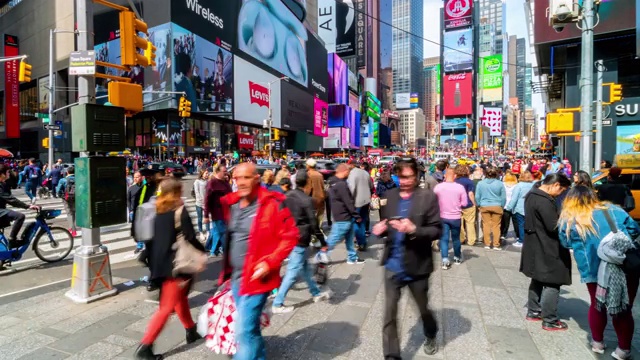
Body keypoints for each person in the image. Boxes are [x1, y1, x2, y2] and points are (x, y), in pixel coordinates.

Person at [217, 162, 299, 360]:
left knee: (244, 330)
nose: (241, 182)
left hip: (257, 279)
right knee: (250, 328)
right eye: (237, 178)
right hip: (237, 277)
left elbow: (290, 236)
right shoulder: (233, 204)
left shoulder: (273, 203)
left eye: (246, 177)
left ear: (257, 179)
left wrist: (269, 262)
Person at [558, 186, 639, 359]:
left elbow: (566, 243)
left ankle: (597, 343)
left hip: (594, 269)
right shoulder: (614, 210)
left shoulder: (570, 219)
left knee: (597, 304)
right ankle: (624, 349)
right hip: (624, 265)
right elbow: (634, 230)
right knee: (624, 308)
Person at [372, 158, 442, 358]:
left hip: (418, 264)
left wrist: (414, 230)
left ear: (417, 175)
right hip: (393, 264)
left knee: (423, 308)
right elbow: (387, 223)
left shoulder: (427, 197)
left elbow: (437, 230)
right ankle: (392, 355)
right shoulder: (389, 195)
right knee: (389, 313)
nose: (404, 181)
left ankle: (430, 332)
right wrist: (381, 228)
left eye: (408, 177)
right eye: (401, 177)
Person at [134, 178, 206, 359]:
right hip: (176, 264)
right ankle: (145, 347)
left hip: (160, 263)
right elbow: (190, 237)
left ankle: (191, 330)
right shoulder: (179, 210)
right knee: (166, 308)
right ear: (175, 192)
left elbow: (150, 239)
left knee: (179, 298)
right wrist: (202, 252)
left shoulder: (157, 209)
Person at [272, 170, 331, 313]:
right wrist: (322, 241)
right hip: (301, 238)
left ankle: (315, 293)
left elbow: (280, 216)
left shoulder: (287, 196)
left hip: (289, 236)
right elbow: (314, 223)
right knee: (292, 273)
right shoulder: (306, 200)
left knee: (305, 267)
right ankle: (277, 303)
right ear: (308, 183)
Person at [520, 173, 571, 331]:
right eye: (561, 190)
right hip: (547, 245)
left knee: (537, 277)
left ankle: (534, 310)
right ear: (555, 185)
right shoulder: (544, 200)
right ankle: (550, 319)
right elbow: (552, 226)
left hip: (534, 244)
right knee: (552, 281)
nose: (560, 193)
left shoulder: (531, 195)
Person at [325, 163, 364, 264]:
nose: (349, 174)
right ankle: (321, 255)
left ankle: (352, 257)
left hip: (342, 215)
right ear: (345, 171)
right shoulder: (341, 184)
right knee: (333, 238)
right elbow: (348, 201)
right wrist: (356, 215)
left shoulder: (333, 182)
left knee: (349, 238)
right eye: (348, 172)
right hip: (343, 216)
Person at [434, 168, 468, 269]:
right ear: (455, 176)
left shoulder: (438, 187)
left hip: (442, 216)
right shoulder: (460, 188)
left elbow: (433, 200)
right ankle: (457, 257)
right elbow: (465, 203)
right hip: (455, 216)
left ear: (444, 175)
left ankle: (445, 259)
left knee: (444, 239)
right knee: (456, 238)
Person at [0, 164, 39, 249]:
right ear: (2, 174)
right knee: (20, 216)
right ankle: (12, 240)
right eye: (7, 172)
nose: (9, 174)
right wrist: (27, 206)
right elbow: (11, 200)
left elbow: (9, 199)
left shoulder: (3, 184)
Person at [204, 165, 232, 256]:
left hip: (226, 212)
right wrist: (206, 215)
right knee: (223, 232)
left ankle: (213, 250)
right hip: (217, 212)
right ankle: (227, 250)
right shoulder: (212, 183)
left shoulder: (225, 182)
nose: (226, 173)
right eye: (224, 171)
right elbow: (207, 200)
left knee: (217, 232)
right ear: (217, 172)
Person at [475, 167, 506, 250]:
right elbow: (503, 197)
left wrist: (478, 204)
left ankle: (487, 244)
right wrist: (502, 205)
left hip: (484, 205)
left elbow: (477, 196)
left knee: (486, 225)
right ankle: (496, 244)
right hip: (497, 205)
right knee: (496, 226)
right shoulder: (500, 183)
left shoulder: (480, 183)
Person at [505, 171, 535, 247]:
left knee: (521, 225)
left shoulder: (519, 186)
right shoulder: (533, 185)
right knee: (530, 224)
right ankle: (530, 239)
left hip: (520, 207)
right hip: (531, 207)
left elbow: (514, 198)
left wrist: (509, 207)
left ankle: (521, 240)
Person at [348, 161, 373, 251]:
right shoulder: (365, 173)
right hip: (366, 201)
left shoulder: (352, 174)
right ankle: (362, 241)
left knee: (355, 222)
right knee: (362, 222)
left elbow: (351, 189)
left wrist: (348, 202)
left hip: (356, 202)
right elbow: (371, 185)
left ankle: (361, 241)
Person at [454, 165, 477, 246]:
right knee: (470, 223)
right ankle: (471, 240)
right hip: (468, 204)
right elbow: (470, 194)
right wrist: (474, 203)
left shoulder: (454, 181)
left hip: (457, 204)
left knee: (459, 223)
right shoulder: (469, 181)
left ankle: (461, 238)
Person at [56, 166, 77, 238]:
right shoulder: (79, 179)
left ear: (67, 172)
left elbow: (58, 190)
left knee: (69, 213)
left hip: (66, 198)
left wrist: (60, 196)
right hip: (76, 198)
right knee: (73, 212)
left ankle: (73, 230)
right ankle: (72, 226)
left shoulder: (63, 180)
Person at [501, 172, 519, 242]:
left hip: (505, 205)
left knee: (505, 222)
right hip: (514, 205)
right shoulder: (517, 186)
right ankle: (518, 235)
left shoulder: (503, 185)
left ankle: (503, 234)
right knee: (515, 222)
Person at [193, 169, 210, 239]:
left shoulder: (208, 181)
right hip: (199, 203)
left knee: (207, 218)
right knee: (200, 219)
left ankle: (208, 231)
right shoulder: (197, 182)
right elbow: (197, 193)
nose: (207, 174)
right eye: (206, 173)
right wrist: (202, 202)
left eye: (207, 173)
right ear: (202, 173)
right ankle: (201, 232)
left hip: (206, 203)